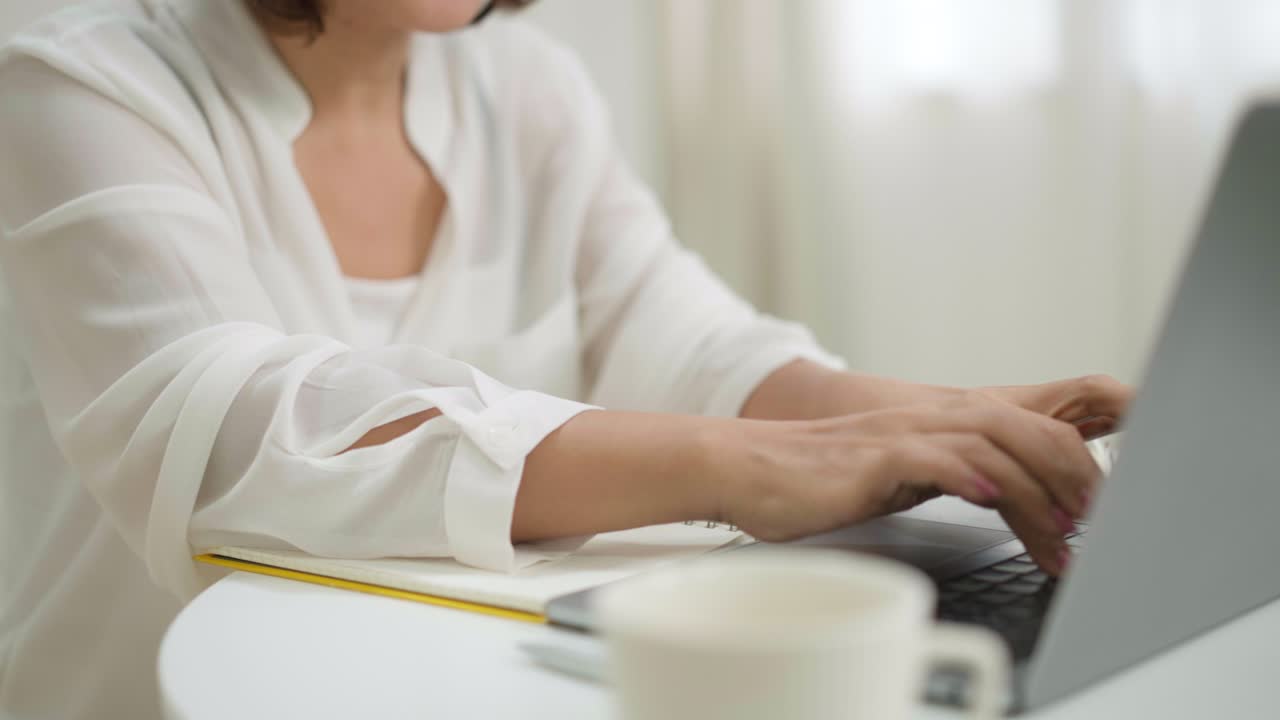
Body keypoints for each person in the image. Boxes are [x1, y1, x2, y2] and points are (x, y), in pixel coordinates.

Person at [0, 0, 1131, 717]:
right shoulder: (78, 79)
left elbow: (686, 342)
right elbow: (235, 430)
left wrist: (930, 426)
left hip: (430, 690)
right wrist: (737, 464)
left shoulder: (521, 85)